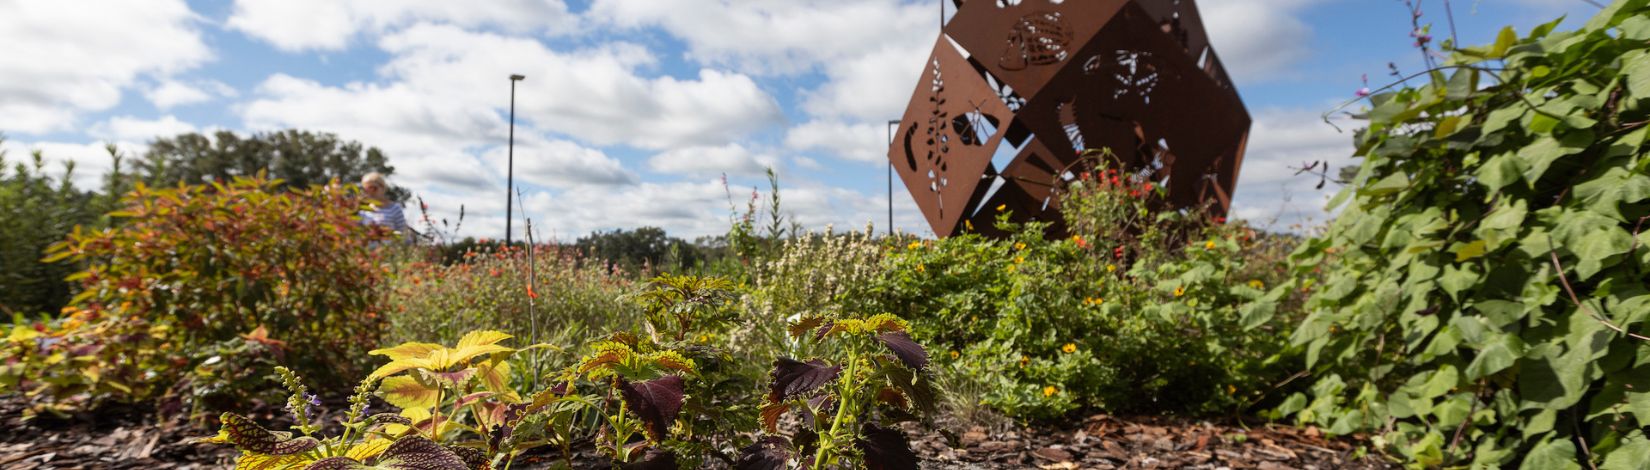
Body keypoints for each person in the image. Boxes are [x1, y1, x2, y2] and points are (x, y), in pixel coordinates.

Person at [359, 172, 410, 241]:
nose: (370, 192)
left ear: (382, 188)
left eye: (373, 188)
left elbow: (404, 235)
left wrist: (390, 234)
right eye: (366, 189)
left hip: (389, 249)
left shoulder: (395, 208)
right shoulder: (363, 212)